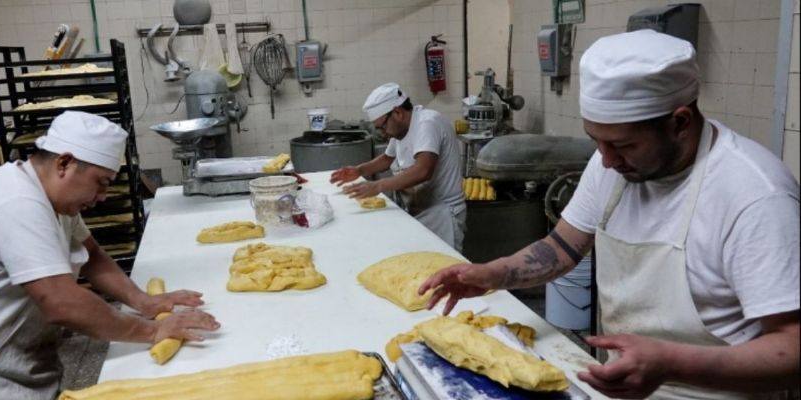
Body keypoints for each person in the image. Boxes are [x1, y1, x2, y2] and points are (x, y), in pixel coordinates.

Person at [418, 30, 799, 398]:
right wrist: (493, 274)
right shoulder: (612, 167)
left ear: (680, 122)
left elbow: (792, 347)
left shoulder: (756, 198)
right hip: (623, 385)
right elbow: (563, 247)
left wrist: (671, 364)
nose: (606, 160)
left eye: (623, 145)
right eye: (596, 141)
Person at [0, 111, 221, 399]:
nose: (103, 197)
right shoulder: (15, 202)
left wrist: (144, 302)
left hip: (19, 374)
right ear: (64, 163)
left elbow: (92, 256)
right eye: (101, 183)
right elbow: (61, 303)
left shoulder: (51, 200)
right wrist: (153, 331)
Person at [330, 83, 467, 250]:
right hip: (420, 208)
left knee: (444, 263)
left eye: (382, 126)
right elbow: (387, 159)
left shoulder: (427, 123)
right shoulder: (401, 131)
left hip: (442, 214)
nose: (383, 133)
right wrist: (359, 170)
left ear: (397, 113)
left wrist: (378, 186)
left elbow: (423, 170)